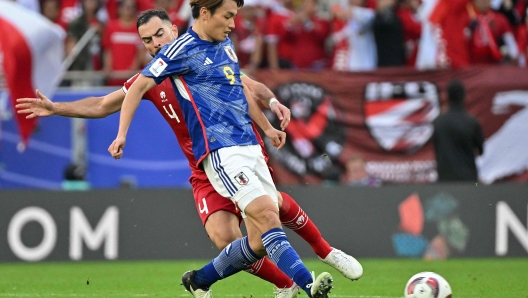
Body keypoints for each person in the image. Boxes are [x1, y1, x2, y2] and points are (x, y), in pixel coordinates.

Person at [16, 8, 362, 298]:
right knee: (225, 238)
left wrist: (271, 104)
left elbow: (247, 84)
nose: (154, 44)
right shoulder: (150, 78)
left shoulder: (201, 53)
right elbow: (102, 103)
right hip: (204, 166)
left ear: (174, 28)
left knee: (263, 225)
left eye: (159, 34)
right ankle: (287, 283)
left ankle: (315, 256)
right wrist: (56, 107)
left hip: (237, 149)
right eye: (147, 40)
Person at [109, 0, 349, 296]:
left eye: (234, 16)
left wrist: (268, 121)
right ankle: (307, 282)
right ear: (207, 14)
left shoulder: (224, 46)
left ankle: (200, 279)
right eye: (229, 16)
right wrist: (120, 134)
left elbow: (243, 92)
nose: (234, 24)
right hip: (219, 151)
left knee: (262, 234)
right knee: (261, 218)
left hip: (248, 145)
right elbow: (134, 88)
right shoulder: (177, 52)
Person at [432, 79, 485, 182]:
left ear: (447, 97)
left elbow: (436, 148)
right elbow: (481, 150)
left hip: (445, 180)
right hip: (469, 180)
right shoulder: (472, 122)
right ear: (464, 97)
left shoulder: (438, 122)